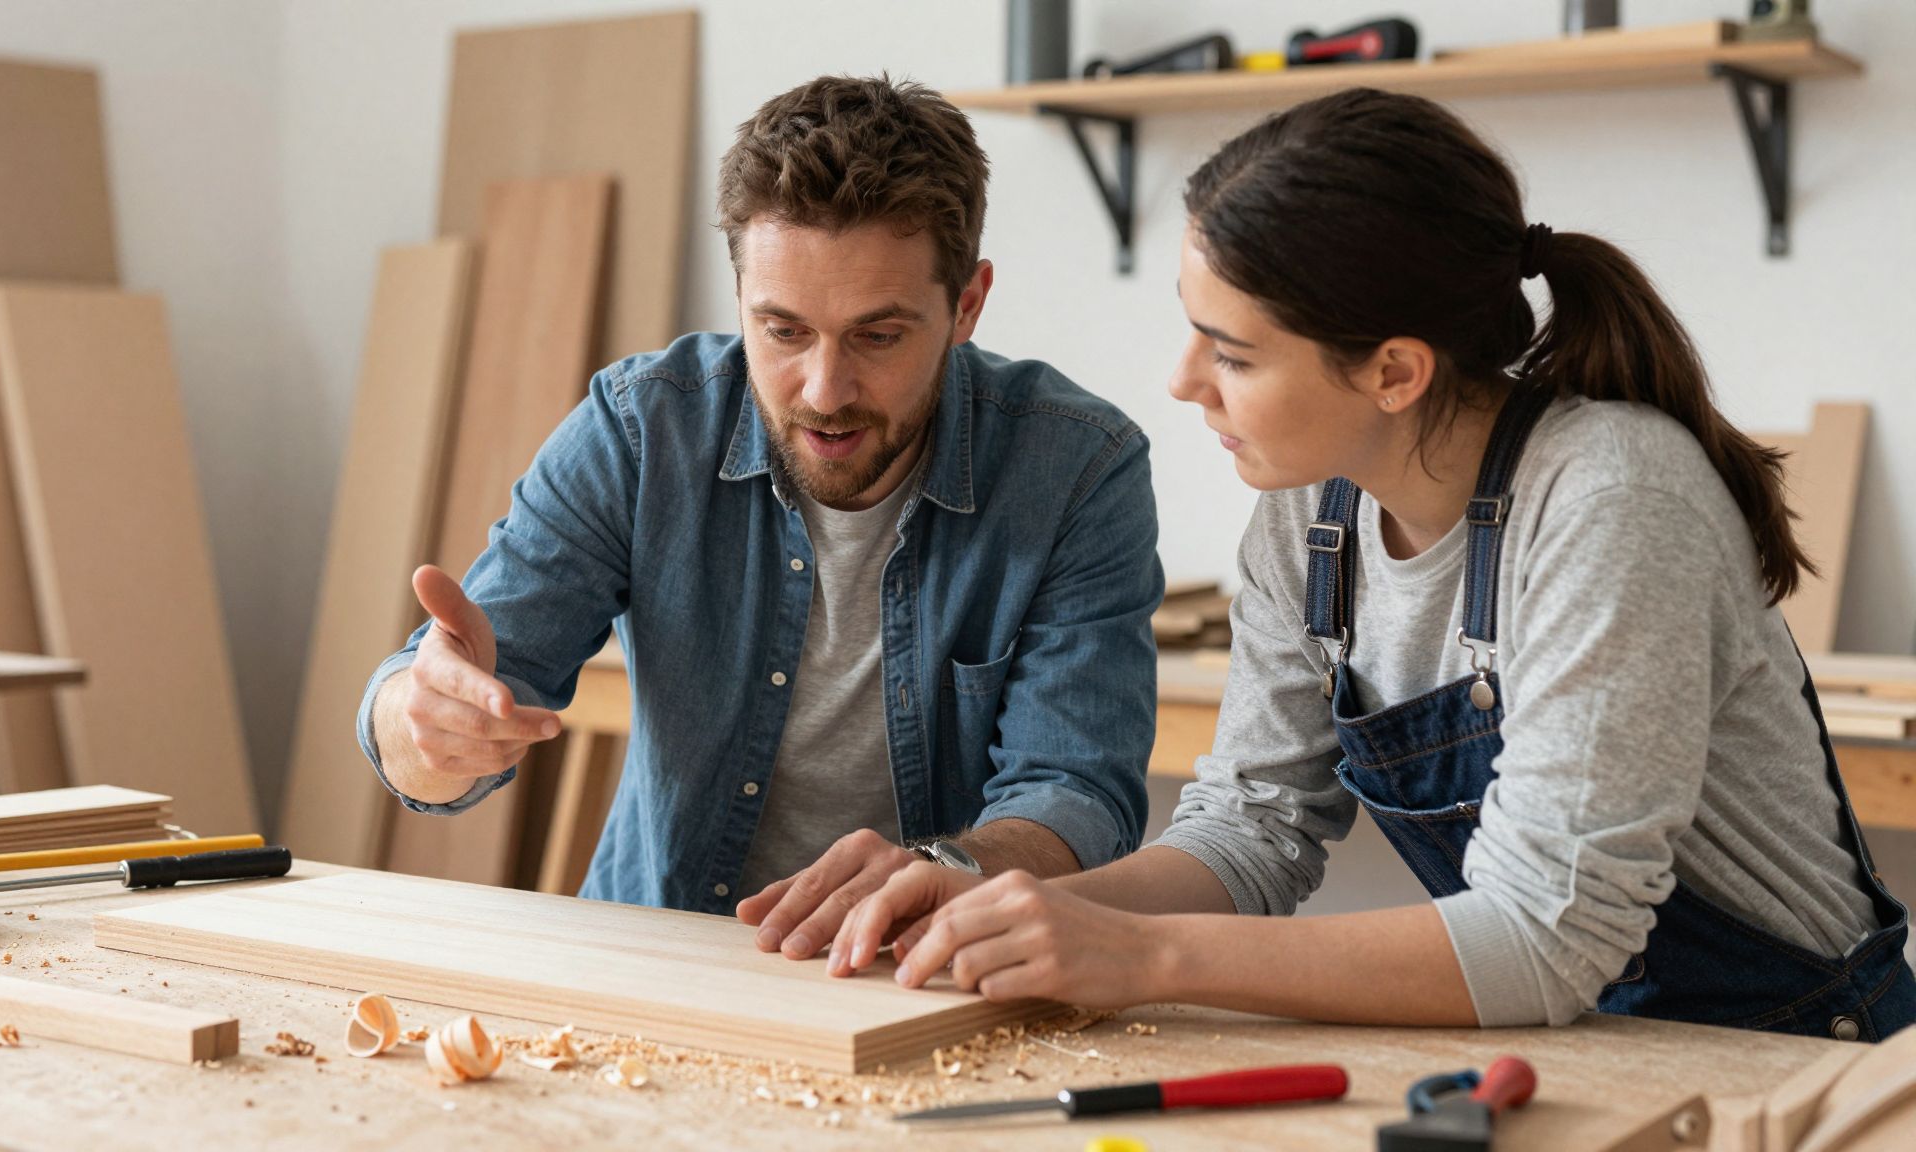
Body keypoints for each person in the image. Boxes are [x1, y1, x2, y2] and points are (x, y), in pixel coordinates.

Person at [828, 87, 1916, 1041]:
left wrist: (1140, 956)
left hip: (1791, 1050)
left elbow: (1543, 935)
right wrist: (1017, 914)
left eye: (1234, 352)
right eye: (1190, 329)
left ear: (1393, 371)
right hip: (1588, 1038)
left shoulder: (1610, 499)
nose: (1180, 379)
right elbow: (1254, 827)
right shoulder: (1309, 512)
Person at [357, 75, 1162, 954]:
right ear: (739, 294)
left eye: (878, 335)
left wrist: (948, 869)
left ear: (967, 303)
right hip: (666, 956)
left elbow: (1080, 792)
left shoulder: (1079, 469)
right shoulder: (641, 431)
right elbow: (445, 708)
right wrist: (419, 724)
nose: (825, 390)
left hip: (932, 971)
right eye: (781, 331)